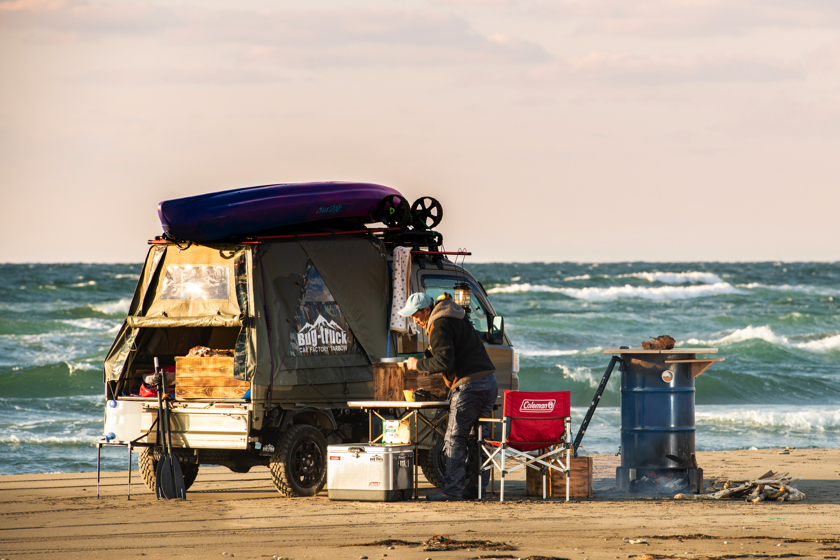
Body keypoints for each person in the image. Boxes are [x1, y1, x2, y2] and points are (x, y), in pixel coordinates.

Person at [400, 292, 497, 501]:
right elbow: (449, 348)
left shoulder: (439, 324)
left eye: (416, 315)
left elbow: (445, 362)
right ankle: (477, 488)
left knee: (454, 438)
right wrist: (425, 357)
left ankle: (451, 490)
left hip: (469, 386)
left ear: (427, 310)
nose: (414, 320)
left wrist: (418, 365)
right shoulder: (454, 315)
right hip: (489, 382)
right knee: (481, 439)